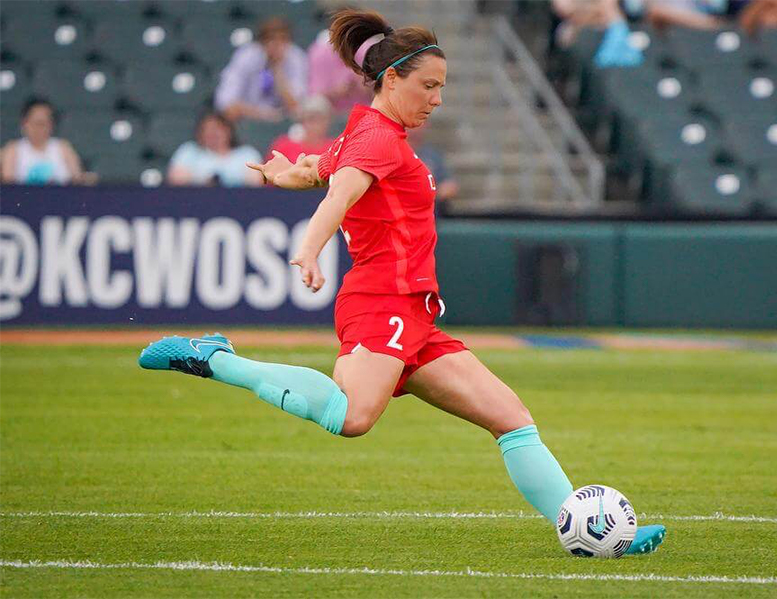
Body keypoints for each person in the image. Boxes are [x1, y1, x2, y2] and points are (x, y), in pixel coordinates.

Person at [138, 8, 666, 556]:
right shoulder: (378, 139)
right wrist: (308, 248)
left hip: (413, 312)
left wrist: (282, 172)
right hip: (379, 301)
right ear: (392, 80)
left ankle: (592, 532)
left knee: (511, 419)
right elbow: (337, 196)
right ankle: (215, 358)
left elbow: (316, 169)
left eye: (442, 87)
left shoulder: (371, 135)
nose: (437, 99)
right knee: (352, 416)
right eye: (429, 86)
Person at [214, 17, 308, 122]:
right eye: (271, 39)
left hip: (284, 123)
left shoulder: (296, 57)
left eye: (282, 39)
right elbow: (226, 103)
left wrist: (277, 69)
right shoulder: (246, 56)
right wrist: (264, 115)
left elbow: (296, 107)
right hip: (247, 121)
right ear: (261, 42)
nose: (276, 45)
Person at [0, 98, 94, 185]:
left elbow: (77, 180)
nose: (39, 128)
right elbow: (8, 185)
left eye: (44, 123)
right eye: (36, 123)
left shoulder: (63, 148)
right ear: (24, 124)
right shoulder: (13, 149)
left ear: (52, 125)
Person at [167, 111, 264, 187]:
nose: (213, 134)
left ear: (229, 131)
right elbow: (177, 180)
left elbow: (256, 181)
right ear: (200, 133)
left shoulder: (246, 153)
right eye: (208, 130)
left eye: (218, 129)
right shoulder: (189, 151)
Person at [307, 28, 372, 114]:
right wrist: (336, 92)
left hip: (365, 110)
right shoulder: (320, 54)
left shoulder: (369, 50)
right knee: (316, 104)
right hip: (331, 114)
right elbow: (315, 96)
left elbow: (380, 92)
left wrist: (363, 86)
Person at [405, 123, 459, 213]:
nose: (414, 129)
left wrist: (429, 194)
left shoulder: (432, 155)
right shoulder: (393, 152)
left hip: (429, 218)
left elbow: (450, 187)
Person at [267, 95, 335, 162]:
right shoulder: (283, 146)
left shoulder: (335, 149)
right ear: (302, 120)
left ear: (328, 121)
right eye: (311, 118)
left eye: (320, 118)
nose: (315, 124)